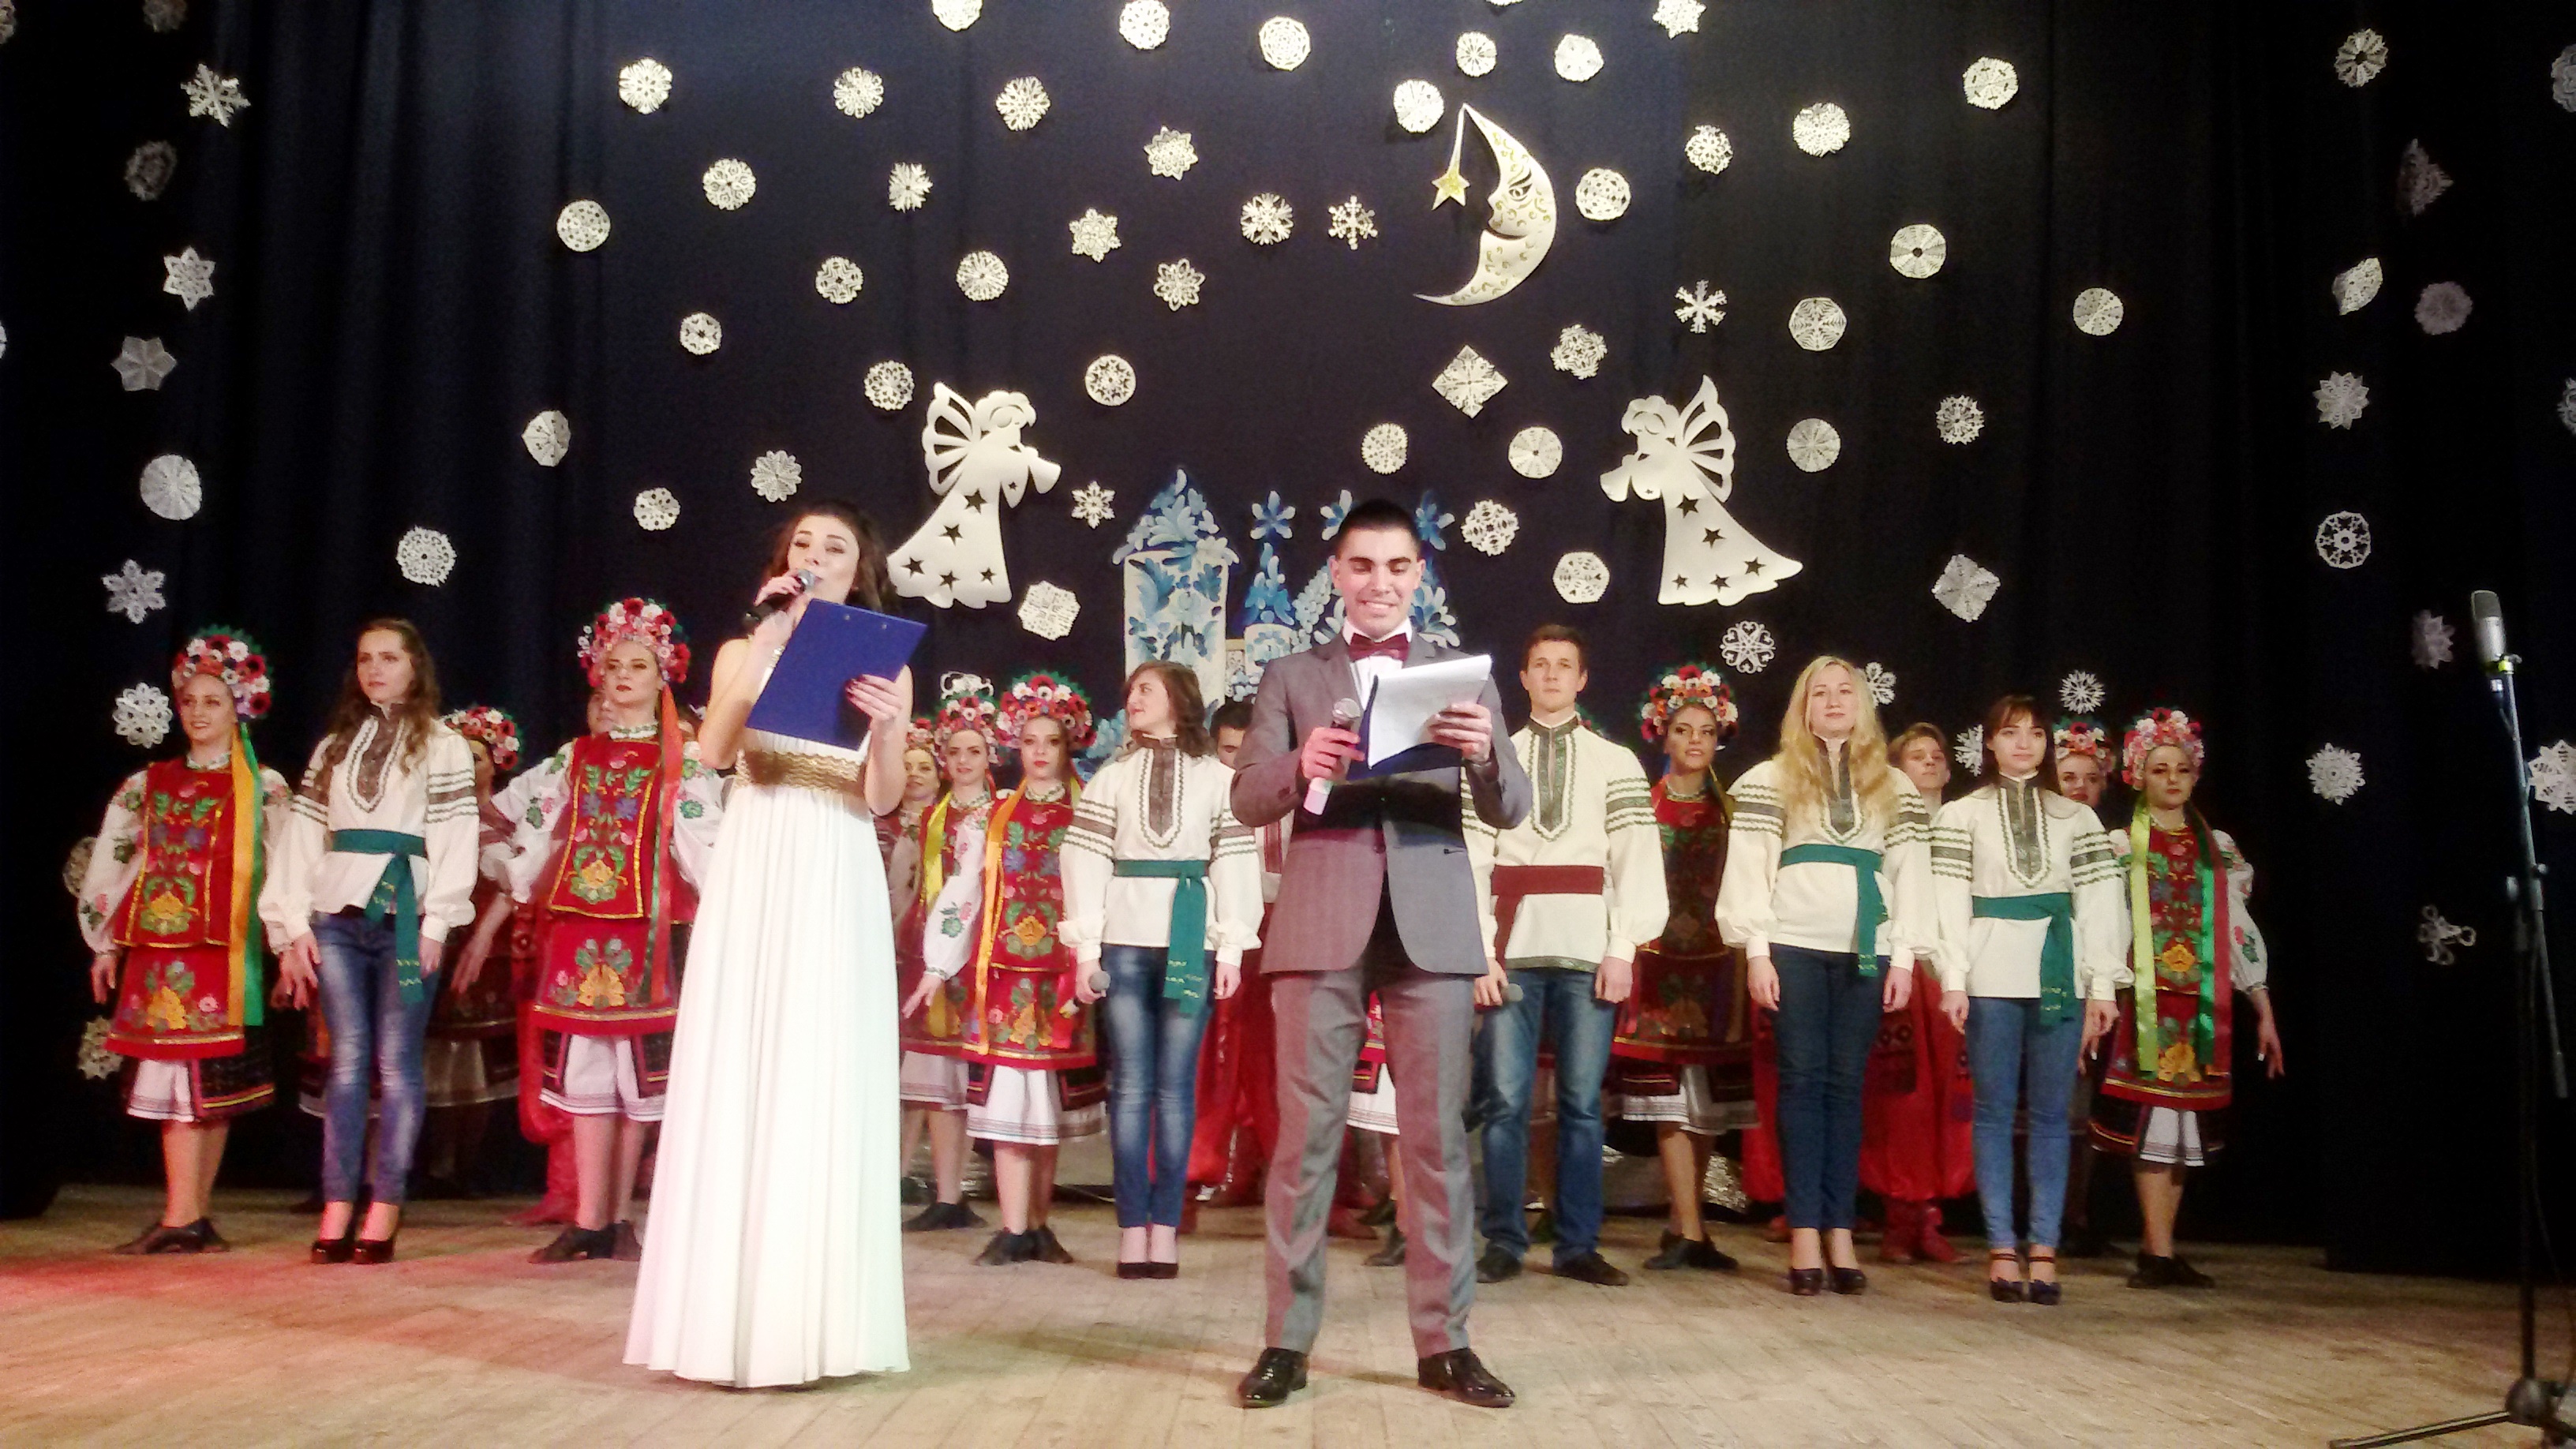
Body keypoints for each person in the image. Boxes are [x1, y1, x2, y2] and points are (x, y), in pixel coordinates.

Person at [1228, 498, 1532, 1410]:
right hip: (1322, 917)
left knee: (1436, 1142)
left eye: (1397, 566)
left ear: (1418, 574)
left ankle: (1446, 1345)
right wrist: (1303, 765)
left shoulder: (1460, 677)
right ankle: (1286, 1343)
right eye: (1361, 566)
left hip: (1430, 921)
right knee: (1306, 1143)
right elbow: (1245, 797)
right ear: (1336, 572)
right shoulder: (1292, 675)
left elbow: (1513, 805)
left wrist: (1484, 754)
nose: (1379, 583)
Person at [624, 502, 914, 1387]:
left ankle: (815, 1325)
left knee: (818, 1057)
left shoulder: (884, 662)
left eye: (836, 547)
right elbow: (713, 750)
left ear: (860, 569)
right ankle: (722, 1321)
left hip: (833, 850)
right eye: (803, 545)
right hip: (758, 845)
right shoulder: (740, 649)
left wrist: (890, 725)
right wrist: (763, 644)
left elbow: (882, 797)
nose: (817, 556)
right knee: (744, 1050)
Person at [473, 600, 723, 1264]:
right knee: (586, 1070)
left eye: (637, 665)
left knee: (638, 1074)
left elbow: (708, 848)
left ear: (662, 676)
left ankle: (620, 1217)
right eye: (612, 665)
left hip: (650, 933)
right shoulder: (573, 757)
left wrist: (720, 905)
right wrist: (506, 868)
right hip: (580, 930)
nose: (622, 675)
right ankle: (589, 1219)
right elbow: (516, 823)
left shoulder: (685, 763)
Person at [264, 619, 479, 1265]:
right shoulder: (335, 746)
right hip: (336, 914)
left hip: (405, 913)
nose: (376, 670)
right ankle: (337, 1202)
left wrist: (439, 923)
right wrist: (290, 925)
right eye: (365, 659)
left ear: (416, 666)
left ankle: (385, 1204)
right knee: (348, 1060)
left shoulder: (443, 745)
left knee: (397, 1060)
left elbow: (456, 835)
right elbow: (302, 837)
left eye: (389, 658)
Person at [1715, 657, 1930, 1297]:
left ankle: (1841, 1230)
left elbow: (1911, 877)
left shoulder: (1893, 786)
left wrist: (1904, 957)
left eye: (1845, 692)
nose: (1834, 701)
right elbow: (1750, 869)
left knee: (1846, 1087)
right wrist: (1757, 952)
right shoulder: (1772, 778)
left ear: (1862, 705)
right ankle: (1805, 1229)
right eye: (1820, 693)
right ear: (1802, 707)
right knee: (1803, 1083)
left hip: (1866, 950)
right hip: (1795, 945)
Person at [77, 627, 292, 1252]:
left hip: (226, 954)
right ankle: (183, 1215)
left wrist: (288, 946)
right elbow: (114, 864)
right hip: (159, 954)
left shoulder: (265, 787)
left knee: (211, 1088)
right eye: (190, 701)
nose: (198, 713)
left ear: (238, 708)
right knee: (174, 1083)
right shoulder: (147, 784)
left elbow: (286, 870)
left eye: (213, 702)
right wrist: (104, 943)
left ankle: (190, 1215)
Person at [1468, 625, 1664, 1288]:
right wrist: (1480, 953)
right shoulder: (1493, 760)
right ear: (1523, 678)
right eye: (1540, 665)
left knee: (1582, 1104)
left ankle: (1578, 1244)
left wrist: (1623, 948)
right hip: (1512, 948)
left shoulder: (1616, 761)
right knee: (1505, 1101)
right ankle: (1504, 1239)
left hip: (1587, 948)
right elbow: (1474, 859)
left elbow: (1636, 860)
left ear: (1582, 679)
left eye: (1565, 665)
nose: (1552, 675)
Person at [1061, 661, 1261, 1277]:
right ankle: (1131, 1227)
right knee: (1130, 1088)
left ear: (1178, 698)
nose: (1134, 698)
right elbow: (1084, 861)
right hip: (1123, 942)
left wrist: (1232, 950)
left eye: (1146, 689)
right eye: (1131, 690)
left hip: (1190, 943)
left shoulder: (1218, 780)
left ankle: (1166, 1227)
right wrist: (1086, 951)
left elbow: (1234, 865)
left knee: (1175, 1089)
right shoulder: (1111, 777)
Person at [1930, 696, 2125, 1305]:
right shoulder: (1962, 815)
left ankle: (2043, 1247)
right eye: (2011, 732)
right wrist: (1953, 977)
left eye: (2036, 733)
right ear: (1989, 742)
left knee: (2051, 1116)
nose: (2024, 743)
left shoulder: (2076, 818)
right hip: (1990, 971)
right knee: (1992, 1112)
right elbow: (1947, 900)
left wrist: (2101, 984)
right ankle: (1999, 1246)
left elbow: (2100, 904)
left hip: (2058, 969)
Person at [912, 673, 1106, 1267]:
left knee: (1045, 1106)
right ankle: (1013, 1226)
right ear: (1016, 748)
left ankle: (1038, 1225)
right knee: (1007, 1105)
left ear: (1068, 746)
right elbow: (963, 893)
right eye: (1029, 741)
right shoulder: (993, 816)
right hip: (1003, 979)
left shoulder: (1089, 812)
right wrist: (937, 965)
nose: (1040, 752)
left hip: (1063, 979)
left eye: (1051, 741)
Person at [2091, 708, 2285, 1289]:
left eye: (2181, 769)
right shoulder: (2121, 846)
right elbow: (2105, 926)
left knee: (2183, 1127)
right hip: (2142, 1005)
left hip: (2202, 1007)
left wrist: (2263, 1007)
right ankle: (2155, 1249)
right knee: (2154, 1120)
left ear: (2196, 776)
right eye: (2159, 769)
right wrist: (2098, 994)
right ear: (2138, 777)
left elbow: (2237, 930)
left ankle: (2162, 1248)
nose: (2172, 779)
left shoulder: (2217, 849)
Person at [1611, 661, 1750, 1274]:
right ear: (1662, 737)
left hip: (1720, 965)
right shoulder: (1642, 808)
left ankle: (1682, 1223)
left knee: (1710, 1099)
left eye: (1706, 732)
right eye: (1683, 730)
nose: (1695, 741)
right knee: (1668, 1097)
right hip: (1657, 966)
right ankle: (1692, 1228)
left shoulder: (1734, 811)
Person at [1859, 721, 1975, 1265]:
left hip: (1951, 974)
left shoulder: (1966, 824)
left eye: (1936, 755)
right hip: (1904, 969)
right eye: (1916, 756)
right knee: (1901, 1098)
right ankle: (1898, 1217)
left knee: (1948, 1101)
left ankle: (1930, 1216)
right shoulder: (1883, 824)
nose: (1929, 762)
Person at [898, 678, 1002, 1232]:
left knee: (973, 1079)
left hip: (983, 955)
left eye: (974, 752)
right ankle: (947, 1195)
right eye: (955, 751)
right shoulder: (931, 817)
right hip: (931, 955)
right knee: (937, 1080)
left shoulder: (1002, 814)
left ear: (990, 757)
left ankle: (979, 1194)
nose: (963, 761)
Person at [414, 705, 526, 1200]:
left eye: (476, 757)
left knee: (476, 1054)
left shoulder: (507, 818)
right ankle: (438, 1164)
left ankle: (468, 1164)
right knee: (439, 1053)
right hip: (441, 939)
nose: (466, 765)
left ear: (495, 764)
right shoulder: (432, 815)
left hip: (488, 949)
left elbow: (517, 878)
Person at [1185, 698, 1280, 1221]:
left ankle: (1291, 1183)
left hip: (1280, 926)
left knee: (1276, 1059)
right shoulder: (1201, 793)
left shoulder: (1290, 791)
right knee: (1205, 1056)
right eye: (1228, 751)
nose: (1239, 765)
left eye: (1251, 754)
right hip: (1210, 928)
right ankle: (1186, 1183)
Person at [2052, 714, 2119, 1257]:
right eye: (2069, 777)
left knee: (2084, 1109)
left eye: (2091, 779)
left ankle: (2077, 1214)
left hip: (2096, 984)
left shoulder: (2116, 844)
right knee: (2044, 1105)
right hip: (2046, 979)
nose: (2081, 788)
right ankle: (2039, 1218)